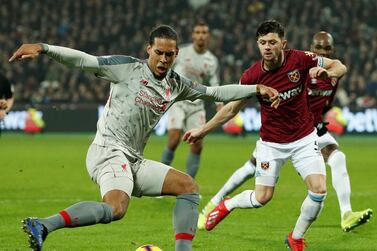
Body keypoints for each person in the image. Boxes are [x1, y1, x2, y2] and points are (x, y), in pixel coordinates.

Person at [10, 25, 280, 251]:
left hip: (133, 158)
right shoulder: (127, 68)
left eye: (169, 55)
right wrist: (44, 48)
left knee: (188, 187)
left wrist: (255, 88)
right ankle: (44, 224)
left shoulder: (175, 84)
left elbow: (214, 92)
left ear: (176, 55)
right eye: (159, 53)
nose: (163, 59)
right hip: (108, 151)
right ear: (148, 49)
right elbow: (84, 60)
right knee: (116, 208)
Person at [183, 20, 347, 251]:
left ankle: (295, 238)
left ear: (283, 43)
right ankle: (228, 204)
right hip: (271, 144)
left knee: (319, 190)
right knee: (262, 198)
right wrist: (201, 131)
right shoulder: (252, 76)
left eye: (272, 42)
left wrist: (327, 72)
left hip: (304, 138)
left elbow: (340, 66)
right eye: (262, 43)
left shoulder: (301, 59)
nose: (267, 47)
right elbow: (230, 109)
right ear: (257, 45)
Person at [160, 22, 222, 178]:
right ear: (193, 35)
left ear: (208, 36)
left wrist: (219, 104)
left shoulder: (212, 60)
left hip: (196, 105)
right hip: (178, 102)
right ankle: (159, 179)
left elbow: (215, 84)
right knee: (173, 140)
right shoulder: (181, 52)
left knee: (197, 145)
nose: (201, 35)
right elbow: (165, 68)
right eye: (198, 32)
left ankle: (189, 185)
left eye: (204, 32)